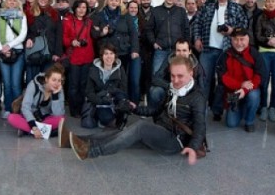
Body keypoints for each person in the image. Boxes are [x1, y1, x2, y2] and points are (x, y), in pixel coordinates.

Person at [69, 55, 206, 165]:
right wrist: (135, 108)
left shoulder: (197, 97)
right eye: (172, 75)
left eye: (180, 76)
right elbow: (156, 110)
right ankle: (78, 140)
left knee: (140, 127)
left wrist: (193, 147)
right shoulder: (172, 89)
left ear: (191, 73)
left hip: (175, 141)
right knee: (122, 132)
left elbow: (200, 126)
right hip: (161, 131)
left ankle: (91, 151)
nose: (175, 80)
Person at [193, 0, 248, 121]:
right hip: (207, 48)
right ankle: (201, 110)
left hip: (227, 50)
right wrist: (197, 39)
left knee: (223, 82)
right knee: (203, 81)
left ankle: (217, 110)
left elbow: (244, 25)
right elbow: (197, 22)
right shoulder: (207, 6)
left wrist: (232, 30)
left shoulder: (236, 7)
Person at [218, 28, 265, 131]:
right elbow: (223, 78)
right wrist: (240, 85)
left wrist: (244, 90)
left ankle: (249, 121)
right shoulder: (225, 55)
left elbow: (259, 76)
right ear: (231, 40)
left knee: (254, 95)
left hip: (250, 89)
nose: (239, 43)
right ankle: (242, 108)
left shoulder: (255, 54)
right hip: (233, 93)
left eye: (242, 39)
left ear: (248, 39)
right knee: (231, 124)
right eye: (235, 39)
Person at [7, 63, 67, 142]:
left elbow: (58, 114)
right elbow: (25, 107)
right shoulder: (34, 85)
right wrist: (34, 127)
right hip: (30, 117)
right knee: (11, 118)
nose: (57, 83)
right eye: (54, 80)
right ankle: (47, 132)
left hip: (45, 119)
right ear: (46, 79)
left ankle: (27, 131)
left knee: (61, 119)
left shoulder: (59, 89)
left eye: (59, 80)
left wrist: (55, 95)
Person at [0, 0, 28, 117]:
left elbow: (23, 35)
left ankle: (17, 109)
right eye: (9, 0)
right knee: (6, 83)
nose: (12, 2)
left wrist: (10, 45)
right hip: (3, 53)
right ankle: (7, 108)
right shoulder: (0, 17)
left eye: (14, 0)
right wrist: (1, 48)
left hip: (17, 52)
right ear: (5, 3)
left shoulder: (22, 16)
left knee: (15, 83)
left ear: (17, 3)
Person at [148, 39, 205, 110]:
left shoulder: (196, 65)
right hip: (170, 91)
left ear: (190, 51)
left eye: (184, 50)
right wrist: (170, 86)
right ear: (175, 51)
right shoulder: (169, 60)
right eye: (178, 50)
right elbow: (155, 78)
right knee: (154, 91)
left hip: (189, 94)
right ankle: (159, 118)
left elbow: (201, 89)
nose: (181, 53)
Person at [84, 43, 131, 129]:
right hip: (100, 102)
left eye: (111, 53)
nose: (109, 57)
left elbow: (123, 89)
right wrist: (101, 101)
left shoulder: (120, 69)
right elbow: (89, 92)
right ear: (102, 56)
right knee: (107, 119)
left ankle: (115, 122)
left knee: (122, 113)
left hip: (115, 101)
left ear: (115, 55)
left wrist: (121, 101)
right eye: (106, 54)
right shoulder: (93, 70)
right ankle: (104, 120)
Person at [91, 0, 139, 73]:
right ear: (107, 1)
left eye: (116, 0)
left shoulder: (126, 15)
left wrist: (135, 50)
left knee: (121, 76)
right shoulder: (99, 15)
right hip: (105, 52)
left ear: (120, 2)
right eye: (112, 0)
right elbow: (93, 34)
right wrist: (102, 33)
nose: (114, 2)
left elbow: (133, 33)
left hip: (122, 51)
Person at [146, 0, 189, 74]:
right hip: (161, 50)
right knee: (157, 74)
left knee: (178, 74)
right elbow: (148, 29)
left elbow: (186, 29)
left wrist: (186, 45)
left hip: (177, 50)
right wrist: (153, 42)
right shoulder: (156, 11)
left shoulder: (181, 11)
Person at [62, 0, 94, 117]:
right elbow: (64, 38)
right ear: (75, 8)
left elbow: (94, 36)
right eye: (79, 7)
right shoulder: (67, 21)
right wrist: (72, 42)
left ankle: (82, 109)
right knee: (74, 85)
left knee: (83, 85)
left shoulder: (89, 21)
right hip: (74, 57)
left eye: (84, 7)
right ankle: (73, 110)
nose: (81, 10)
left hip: (87, 56)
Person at [24, 0, 63, 82]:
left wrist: (57, 53)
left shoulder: (55, 13)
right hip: (35, 50)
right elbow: (26, 30)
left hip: (50, 51)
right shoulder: (30, 12)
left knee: (46, 80)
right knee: (32, 80)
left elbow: (59, 33)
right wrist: (28, 38)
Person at [126, 0, 142, 104]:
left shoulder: (142, 21)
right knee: (125, 79)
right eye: (131, 7)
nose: (133, 9)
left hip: (137, 53)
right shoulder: (123, 20)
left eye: (135, 7)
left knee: (135, 80)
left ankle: (134, 103)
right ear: (127, 9)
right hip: (124, 52)